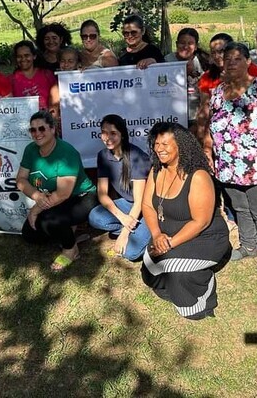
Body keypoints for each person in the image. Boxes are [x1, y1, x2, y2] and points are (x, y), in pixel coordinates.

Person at [205, 42, 257, 275]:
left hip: (256, 162)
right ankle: (248, 245)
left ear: (248, 62)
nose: (231, 62)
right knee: (240, 208)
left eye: (237, 58)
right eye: (227, 58)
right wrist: (209, 149)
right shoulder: (218, 91)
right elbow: (211, 124)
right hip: (228, 164)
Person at [140, 122, 230, 320]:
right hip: (167, 234)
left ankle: (203, 293)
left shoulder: (198, 176)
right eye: (156, 144)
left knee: (174, 271)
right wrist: (156, 234)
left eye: (165, 144)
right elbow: (147, 206)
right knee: (149, 270)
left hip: (205, 237)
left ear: (180, 145)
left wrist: (169, 244)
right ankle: (183, 273)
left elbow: (201, 222)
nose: (159, 149)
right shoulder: (157, 171)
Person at [16, 110, 98, 271]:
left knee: (50, 221)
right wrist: (37, 195)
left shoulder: (66, 153)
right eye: (33, 130)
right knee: (30, 234)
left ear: (53, 129)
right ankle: (68, 229)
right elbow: (20, 180)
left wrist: (35, 210)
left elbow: (63, 193)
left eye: (42, 129)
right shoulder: (30, 149)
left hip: (82, 196)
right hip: (54, 198)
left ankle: (71, 250)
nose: (37, 133)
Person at [87, 115, 152, 260]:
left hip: (146, 207)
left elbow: (140, 201)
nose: (107, 137)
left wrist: (124, 235)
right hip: (128, 205)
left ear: (122, 134)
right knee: (94, 217)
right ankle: (133, 226)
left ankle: (146, 229)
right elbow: (102, 194)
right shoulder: (103, 155)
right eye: (104, 132)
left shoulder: (137, 157)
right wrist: (122, 218)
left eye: (113, 133)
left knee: (130, 253)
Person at [165, 27, 209, 126]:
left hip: (195, 115)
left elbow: (209, 89)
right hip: (173, 115)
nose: (185, 46)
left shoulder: (203, 62)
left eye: (190, 43)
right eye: (182, 43)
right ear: (176, 44)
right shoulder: (167, 60)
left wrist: (193, 73)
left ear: (196, 46)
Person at [10, 40, 56, 110]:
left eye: (27, 55)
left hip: (47, 118)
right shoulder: (11, 79)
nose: (23, 59)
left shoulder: (47, 74)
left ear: (34, 56)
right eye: (19, 56)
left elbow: (56, 97)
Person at [47, 46, 81, 131]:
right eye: (63, 61)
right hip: (66, 130)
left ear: (78, 64)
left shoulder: (85, 79)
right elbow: (53, 112)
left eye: (70, 61)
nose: (66, 64)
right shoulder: (56, 87)